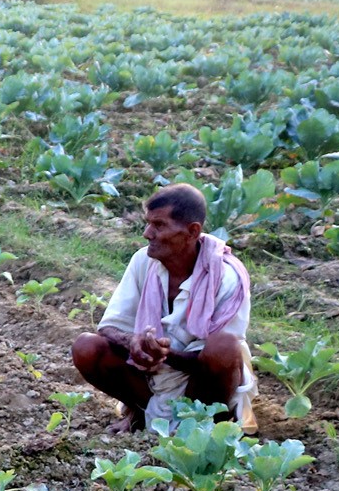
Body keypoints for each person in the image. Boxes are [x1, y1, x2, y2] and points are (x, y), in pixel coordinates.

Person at [72, 183, 257, 434]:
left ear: (192, 232)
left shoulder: (227, 276)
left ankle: (211, 425)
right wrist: (134, 342)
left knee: (224, 347)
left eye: (159, 225)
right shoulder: (143, 260)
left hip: (201, 385)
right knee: (86, 347)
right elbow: (109, 326)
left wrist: (165, 355)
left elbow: (219, 357)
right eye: (148, 223)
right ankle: (140, 411)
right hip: (150, 380)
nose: (148, 233)